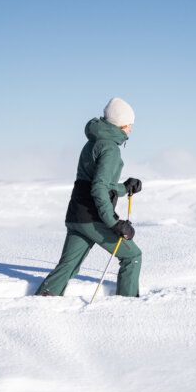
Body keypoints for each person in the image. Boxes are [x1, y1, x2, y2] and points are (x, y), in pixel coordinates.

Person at [35, 97, 143, 297]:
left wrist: (124, 188)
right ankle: (129, 307)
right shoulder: (110, 149)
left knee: (67, 266)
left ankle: (41, 302)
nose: (131, 129)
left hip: (77, 215)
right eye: (129, 124)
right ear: (120, 124)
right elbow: (99, 189)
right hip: (93, 219)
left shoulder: (93, 142)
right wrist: (114, 223)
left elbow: (97, 184)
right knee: (132, 256)